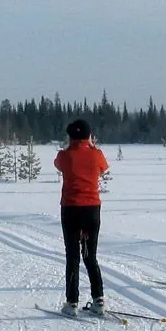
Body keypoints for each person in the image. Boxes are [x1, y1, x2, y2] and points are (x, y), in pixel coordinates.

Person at [53, 119, 109, 317]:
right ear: (89, 136)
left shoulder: (65, 155)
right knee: (90, 255)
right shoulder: (97, 155)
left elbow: (58, 164)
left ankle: (72, 302)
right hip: (92, 208)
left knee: (73, 256)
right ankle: (99, 299)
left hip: (70, 209)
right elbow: (104, 167)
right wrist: (91, 147)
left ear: (70, 136)